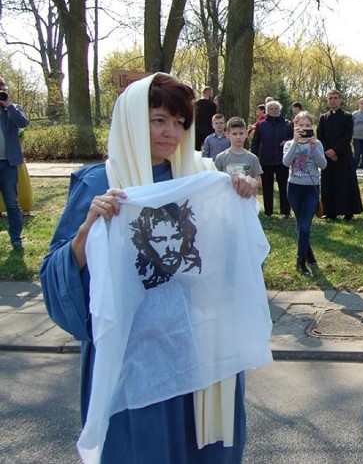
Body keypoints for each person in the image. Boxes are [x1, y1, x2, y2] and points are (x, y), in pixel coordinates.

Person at [39, 73, 266, 463]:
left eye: (180, 123)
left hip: (196, 344)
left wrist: (237, 199)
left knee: (200, 449)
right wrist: (87, 229)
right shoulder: (100, 182)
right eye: (159, 120)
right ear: (131, 120)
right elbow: (55, 273)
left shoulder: (200, 176)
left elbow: (223, 260)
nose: (171, 133)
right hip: (136, 356)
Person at [283, 111, 327, 277]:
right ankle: (308, 254)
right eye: (300, 125)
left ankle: (300, 261)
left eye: (307, 126)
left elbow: (323, 165)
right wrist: (295, 143)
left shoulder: (317, 144)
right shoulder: (289, 144)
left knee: (304, 224)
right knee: (300, 223)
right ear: (295, 127)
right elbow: (286, 162)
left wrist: (314, 148)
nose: (304, 129)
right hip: (294, 188)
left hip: (311, 188)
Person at [318, 90, 363, 221]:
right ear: (327, 100)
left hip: (343, 155)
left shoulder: (347, 116)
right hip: (328, 157)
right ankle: (330, 211)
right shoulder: (323, 118)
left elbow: (347, 135)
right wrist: (328, 151)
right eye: (330, 98)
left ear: (340, 100)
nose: (333, 100)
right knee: (329, 183)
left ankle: (348, 211)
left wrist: (336, 151)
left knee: (345, 184)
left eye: (335, 98)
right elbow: (320, 135)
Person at [0, 77, 29, 251]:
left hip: (8, 165)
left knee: (12, 204)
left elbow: (23, 123)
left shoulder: (12, 109)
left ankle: (16, 240)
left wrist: (8, 105)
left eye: (2, 87)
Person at [251, 100, 293, 217]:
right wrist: (254, 158)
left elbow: (294, 138)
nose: (274, 110)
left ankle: (286, 211)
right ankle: (268, 211)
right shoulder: (261, 125)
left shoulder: (287, 124)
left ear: (280, 110)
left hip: (282, 160)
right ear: (267, 111)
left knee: (284, 186)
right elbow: (255, 142)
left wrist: (288, 141)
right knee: (267, 187)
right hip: (266, 160)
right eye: (271, 108)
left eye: (276, 108)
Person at [214, 117, 263, 184]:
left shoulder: (253, 158)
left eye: (241, 133)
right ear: (227, 135)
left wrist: (250, 183)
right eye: (234, 134)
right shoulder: (220, 158)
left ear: (246, 134)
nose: (238, 137)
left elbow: (259, 182)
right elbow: (216, 181)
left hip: (246, 194)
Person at [193, 86, 217, 151]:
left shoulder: (196, 104)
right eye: (211, 93)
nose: (212, 95)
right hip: (208, 129)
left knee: (196, 149)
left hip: (197, 129)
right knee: (208, 149)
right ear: (208, 93)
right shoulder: (212, 105)